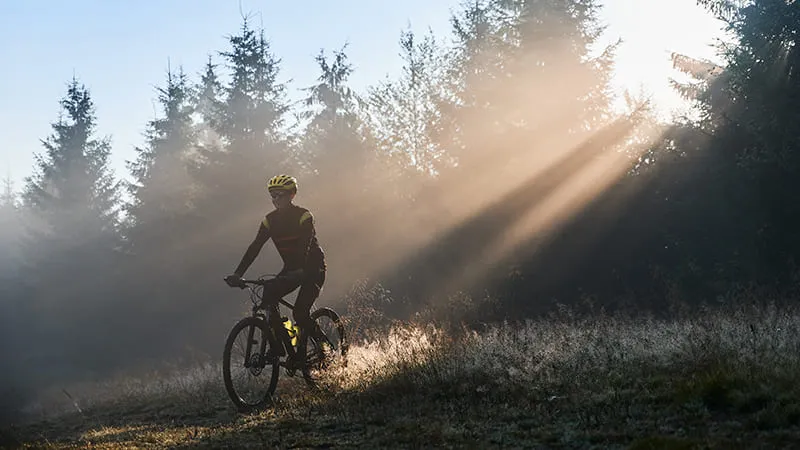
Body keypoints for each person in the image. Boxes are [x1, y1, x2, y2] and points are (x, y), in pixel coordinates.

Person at [224, 174, 326, 371]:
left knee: (300, 312)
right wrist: (238, 273)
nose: (275, 199)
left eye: (280, 195)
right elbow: (255, 247)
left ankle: (323, 347)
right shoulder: (270, 220)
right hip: (291, 268)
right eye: (272, 196)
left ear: (292, 195)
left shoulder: (304, 216)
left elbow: (304, 246)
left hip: (313, 268)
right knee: (268, 296)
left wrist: (298, 270)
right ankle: (279, 345)